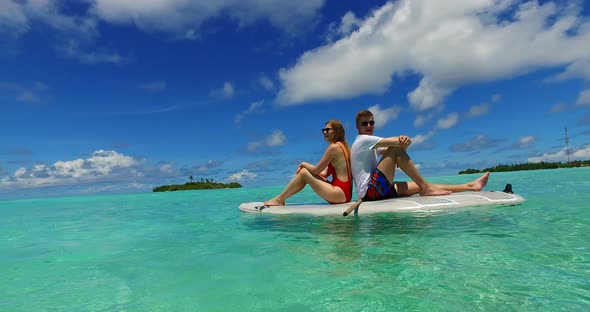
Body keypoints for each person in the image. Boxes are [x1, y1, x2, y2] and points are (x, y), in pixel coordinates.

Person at [351, 109, 489, 201]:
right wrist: (401, 140)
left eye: (372, 122)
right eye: (364, 123)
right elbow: (396, 147)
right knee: (395, 150)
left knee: (419, 184)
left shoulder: (372, 145)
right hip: (370, 192)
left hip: (380, 189)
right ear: (358, 127)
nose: (369, 125)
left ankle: (470, 186)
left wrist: (401, 145)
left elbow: (397, 148)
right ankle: (426, 188)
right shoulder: (363, 140)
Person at [262, 120, 353, 206]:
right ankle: (280, 199)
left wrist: (303, 164)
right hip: (345, 194)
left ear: (337, 131)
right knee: (305, 172)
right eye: (323, 130)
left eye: (328, 130)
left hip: (340, 194)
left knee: (304, 172)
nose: (325, 132)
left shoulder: (334, 147)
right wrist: (306, 171)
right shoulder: (343, 146)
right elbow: (324, 174)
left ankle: (279, 200)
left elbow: (317, 170)